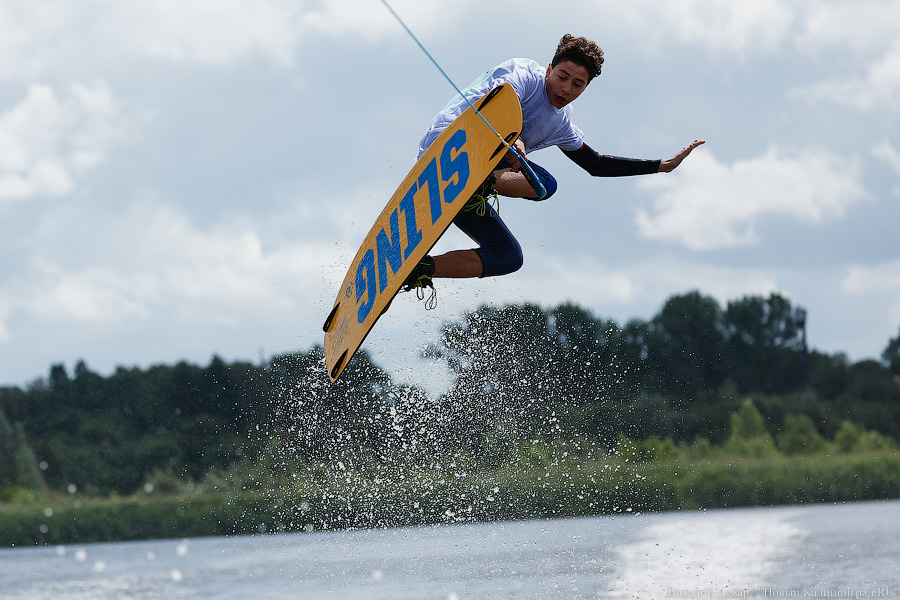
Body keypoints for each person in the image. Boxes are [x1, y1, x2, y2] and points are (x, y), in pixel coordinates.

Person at [402, 34, 705, 299]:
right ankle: (480, 182)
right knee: (541, 177)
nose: (566, 88)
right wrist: (511, 138)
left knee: (510, 252)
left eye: (577, 84)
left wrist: (660, 166)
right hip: (447, 147)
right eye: (562, 76)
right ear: (549, 69)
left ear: (585, 88)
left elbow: (595, 164)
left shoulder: (561, 123)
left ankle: (421, 269)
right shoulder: (523, 75)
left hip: (473, 178)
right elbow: (495, 105)